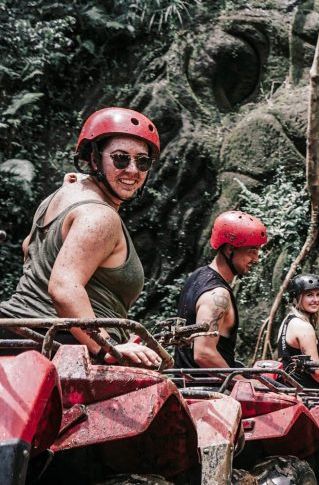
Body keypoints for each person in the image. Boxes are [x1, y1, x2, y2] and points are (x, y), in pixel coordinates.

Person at [0, 107, 163, 366]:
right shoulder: (101, 216)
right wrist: (107, 346)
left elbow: (28, 248)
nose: (133, 170)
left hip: (15, 333)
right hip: (62, 348)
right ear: (94, 158)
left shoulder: (57, 198)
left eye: (142, 161)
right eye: (121, 159)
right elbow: (64, 288)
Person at [173, 211, 266, 368]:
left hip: (186, 378)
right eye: (252, 251)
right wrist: (242, 382)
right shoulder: (217, 295)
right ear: (230, 250)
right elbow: (203, 354)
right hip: (207, 386)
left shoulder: (198, 275)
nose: (256, 259)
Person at [277, 273, 319, 389]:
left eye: (318, 295)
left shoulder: (287, 321)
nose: (315, 300)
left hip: (291, 386)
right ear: (297, 297)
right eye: (309, 295)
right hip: (309, 392)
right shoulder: (304, 327)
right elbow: (316, 371)